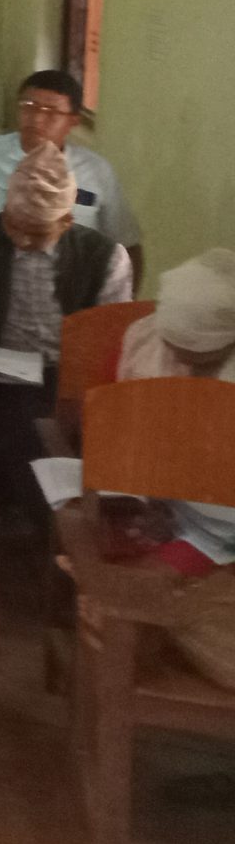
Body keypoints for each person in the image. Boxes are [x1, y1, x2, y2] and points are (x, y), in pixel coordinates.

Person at [0, 141, 134, 530]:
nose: (21, 241)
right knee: (13, 424)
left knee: (34, 428)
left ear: (66, 221)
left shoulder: (108, 258)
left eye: (36, 233)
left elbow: (107, 342)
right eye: (13, 225)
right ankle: (22, 513)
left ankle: (29, 517)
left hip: (64, 376)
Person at [114, 250, 235, 690]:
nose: (179, 360)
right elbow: (127, 441)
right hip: (186, 524)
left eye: (200, 355)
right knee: (128, 604)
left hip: (224, 527)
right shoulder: (145, 341)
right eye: (174, 346)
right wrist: (146, 501)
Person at [0, 68, 140, 254]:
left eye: (51, 112)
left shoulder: (96, 170)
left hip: (73, 281)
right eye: (29, 106)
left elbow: (127, 244)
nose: (36, 118)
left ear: (73, 120)